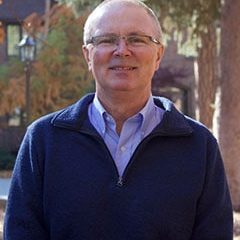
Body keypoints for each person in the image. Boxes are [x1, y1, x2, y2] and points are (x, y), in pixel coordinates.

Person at [4, 0, 233, 239]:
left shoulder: (199, 145)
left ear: (158, 55)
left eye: (137, 39)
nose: (122, 50)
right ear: (88, 56)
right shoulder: (43, 140)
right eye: (107, 40)